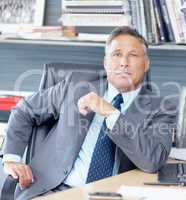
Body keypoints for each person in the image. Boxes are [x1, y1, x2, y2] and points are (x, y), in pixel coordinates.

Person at [2, 26, 176, 199]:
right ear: (105, 62)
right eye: (116, 54)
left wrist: (111, 113)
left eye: (133, 55)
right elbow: (25, 110)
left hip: (110, 196)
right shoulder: (77, 85)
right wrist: (11, 159)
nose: (124, 62)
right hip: (53, 190)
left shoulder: (161, 109)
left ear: (146, 64)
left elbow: (152, 161)